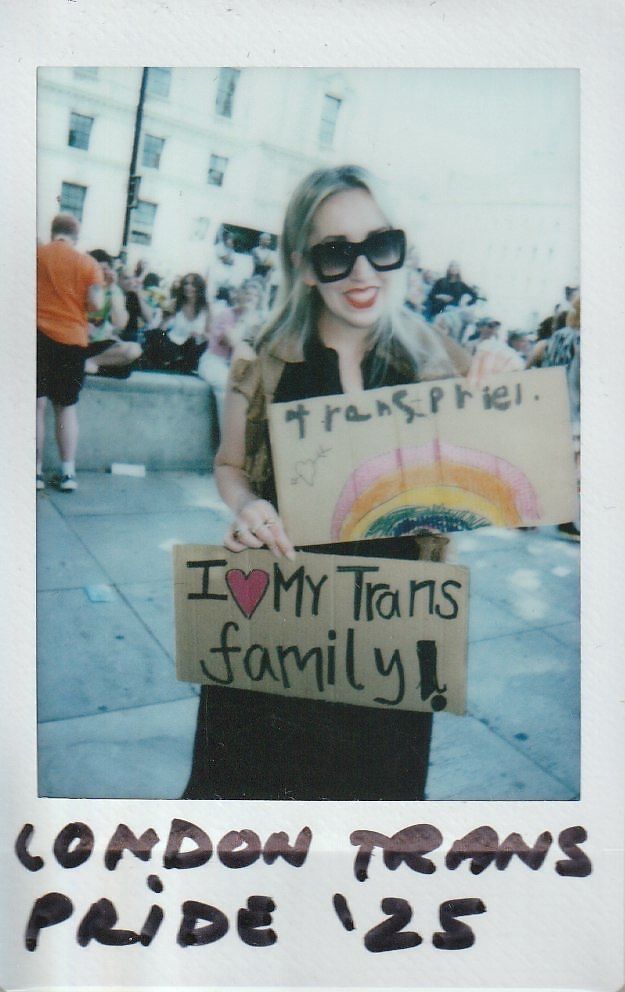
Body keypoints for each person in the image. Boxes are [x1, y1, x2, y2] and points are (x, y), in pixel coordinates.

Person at [183, 164, 470, 801]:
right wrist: (248, 506)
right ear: (305, 266)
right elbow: (230, 467)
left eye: (381, 246)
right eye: (336, 253)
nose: (363, 272)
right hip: (279, 626)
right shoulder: (264, 359)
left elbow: (496, 478)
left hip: (391, 633)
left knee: (371, 821)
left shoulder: (435, 362)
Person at [36, 213, 104, 491]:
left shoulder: (37, 255)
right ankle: (67, 473)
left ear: (53, 232)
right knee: (66, 408)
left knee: (36, 406)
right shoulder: (88, 263)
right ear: (76, 236)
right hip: (73, 340)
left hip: (38, 336)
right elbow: (95, 305)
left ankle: (35, 472)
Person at [197, 277, 266, 427]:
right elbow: (231, 341)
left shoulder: (258, 321)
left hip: (238, 366)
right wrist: (245, 319)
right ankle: (227, 435)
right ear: (240, 295)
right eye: (247, 293)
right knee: (225, 385)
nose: (250, 298)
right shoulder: (227, 314)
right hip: (214, 361)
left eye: (255, 295)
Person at [84, 250, 142, 376]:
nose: (99, 273)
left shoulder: (113, 290)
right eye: (96, 269)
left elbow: (120, 324)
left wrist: (111, 288)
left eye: (104, 270)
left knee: (133, 350)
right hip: (77, 340)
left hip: (100, 342)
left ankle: (90, 362)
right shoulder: (80, 285)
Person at [144, 272, 210, 373]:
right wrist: (165, 318)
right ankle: (172, 361)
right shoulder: (176, 303)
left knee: (198, 343)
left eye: (192, 284)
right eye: (186, 284)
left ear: (199, 287)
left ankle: (180, 363)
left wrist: (200, 335)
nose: (188, 287)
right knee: (156, 334)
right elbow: (161, 328)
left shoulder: (206, 308)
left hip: (191, 347)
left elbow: (209, 335)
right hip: (172, 344)